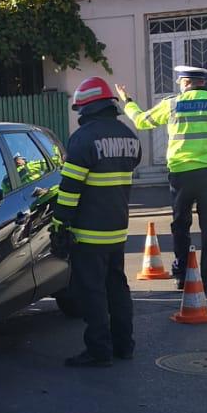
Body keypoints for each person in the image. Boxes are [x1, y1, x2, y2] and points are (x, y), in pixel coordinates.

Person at [118, 63, 207, 293]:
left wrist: (128, 102)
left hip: (180, 174)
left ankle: (182, 276)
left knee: (181, 225)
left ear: (185, 82)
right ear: (202, 82)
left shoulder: (172, 103)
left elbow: (142, 121)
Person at [52, 76, 142, 368]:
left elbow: (70, 189)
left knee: (92, 292)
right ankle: (124, 345)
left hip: (88, 233)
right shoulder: (129, 136)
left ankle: (99, 350)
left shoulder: (83, 139)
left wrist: (59, 224)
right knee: (117, 287)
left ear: (87, 108)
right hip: (117, 229)